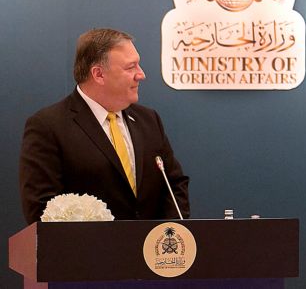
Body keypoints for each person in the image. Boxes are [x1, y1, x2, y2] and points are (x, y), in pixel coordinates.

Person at [20, 28, 190, 224]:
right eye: (131, 67)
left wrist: (166, 234)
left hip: (152, 243)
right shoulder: (48, 126)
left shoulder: (149, 120)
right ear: (99, 74)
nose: (141, 75)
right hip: (87, 244)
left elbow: (174, 185)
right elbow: (41, 208)